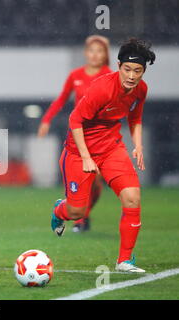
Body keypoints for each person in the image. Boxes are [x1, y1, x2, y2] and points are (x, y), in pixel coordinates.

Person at [50, 38, 155, 273]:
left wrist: (137, 145)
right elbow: (75, 120)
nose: (131, 75)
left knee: (132, 198)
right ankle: (59, 210)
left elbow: (135, 118)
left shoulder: (141, 89)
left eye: (137, 71)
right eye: (127, 69)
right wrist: (87, 157)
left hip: (111, 148)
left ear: (143, 71)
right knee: (76, 211)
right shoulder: (102, 88)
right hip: (78, 152)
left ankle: (124, 261)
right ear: (118, 65)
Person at [38, 35, 112, 232]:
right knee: (82, 178)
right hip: (79, 134)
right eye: (92, 50)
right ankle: (78, 217)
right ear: (85, 53)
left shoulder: (110, 76)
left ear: (106, 55)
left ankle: (82, 215)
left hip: (100, 137)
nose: (95, 55)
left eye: (100, 51)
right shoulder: (76, 75)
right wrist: (46, 120)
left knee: (96, 185)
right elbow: (61, 100)